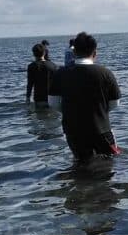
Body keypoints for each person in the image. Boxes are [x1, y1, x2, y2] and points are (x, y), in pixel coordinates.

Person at [49, 32, 121, 163]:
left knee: (81, 164)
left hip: (73, 130)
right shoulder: (105, 73)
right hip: (101, 128)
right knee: (109, 163)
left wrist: (69, 112)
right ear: (95, 53)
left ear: (74, 52)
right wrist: (99, 112)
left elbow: (53, 103)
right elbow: (115, 103)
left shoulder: (60, 74)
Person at [26, 43, 58, 107]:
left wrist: (28, 97)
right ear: (44, 53)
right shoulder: (53, 65)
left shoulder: (31, 66)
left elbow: (30, 84)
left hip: (39, 98)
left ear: (33, 54)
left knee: (40, 115)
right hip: (52, 97)